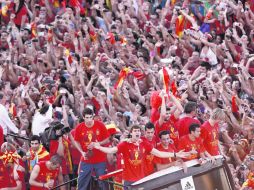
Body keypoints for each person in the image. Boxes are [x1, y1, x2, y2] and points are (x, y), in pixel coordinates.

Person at [93, 125, 194, 188]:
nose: (137, 132)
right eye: (135, 131)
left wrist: (175, 154)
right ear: (131, 133)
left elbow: (159, 153)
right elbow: (111, 150)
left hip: (141, 179)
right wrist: (98, 147)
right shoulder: (124, 144)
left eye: (138, 131)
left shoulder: (144, 144)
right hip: (128, 180)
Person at [74, 108, 110, 190]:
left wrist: (98, 144)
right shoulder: (79, 127)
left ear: (93, 116)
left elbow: (107, 139)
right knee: (81, 182)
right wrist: (82, 152)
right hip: (86, 159)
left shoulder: (100, 125)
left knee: (103, 183)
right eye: (87, 117)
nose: (89, 120)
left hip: (100, 159)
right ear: (83, 117)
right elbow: (76, 141)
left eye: (91, 117)